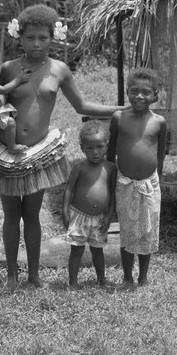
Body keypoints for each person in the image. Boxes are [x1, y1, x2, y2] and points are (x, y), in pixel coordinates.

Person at [0, 4, 129, 291]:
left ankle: (33, 275)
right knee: (11, 215)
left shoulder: (59, 70)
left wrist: (124, 108)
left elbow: (82, 105)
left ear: (52, 37)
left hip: (37, 154)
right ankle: (11, 275)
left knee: (31, 214)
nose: (36, 43)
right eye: (30, 37)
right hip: (6, 151)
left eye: (43, 38)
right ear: (19, 37)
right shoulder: (8, 69)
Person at [107, 67, 167, 286]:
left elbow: (160, 153)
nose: (139, 96)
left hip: (150, 184)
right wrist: (108, 179)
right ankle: (126, 276)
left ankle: (143, 276)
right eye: (134, 91)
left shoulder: (159, 122)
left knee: (147, 231)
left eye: (146, 92)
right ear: (127, 92)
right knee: (128, 230)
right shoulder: (119, 117)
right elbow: (110, 151)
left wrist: (157, 177)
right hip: (124, 182)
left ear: (155, 96)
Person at [62, 120, 117, 288]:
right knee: (76, 251)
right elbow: (69, 190)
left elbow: (113, 193)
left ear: (107, 146)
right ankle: (73, 282)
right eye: (90, 148)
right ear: (82, 148)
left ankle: (102, 279)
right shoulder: (79, 168)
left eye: (100, 147)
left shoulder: (111, 168)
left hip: (99, 219)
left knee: (98, 251)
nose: (95, 152)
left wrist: (109, 216)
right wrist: (65, 212)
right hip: (79, 217)